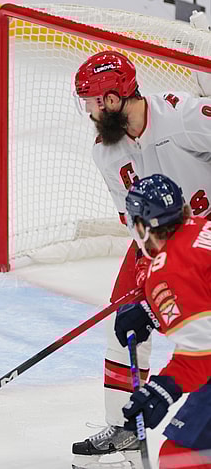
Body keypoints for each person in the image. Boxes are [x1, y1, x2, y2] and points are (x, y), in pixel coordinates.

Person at [70, 49, 211, 465]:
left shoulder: (182, 116)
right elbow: (130, 220)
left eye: (92, 102)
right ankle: (124, 427)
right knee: (123, 323)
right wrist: (146, 284)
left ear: (113, 99)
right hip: (158, 241)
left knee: (197, 327)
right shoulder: (106, 152)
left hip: (202, 235)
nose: (90, 113)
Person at [112, 174, 210, 469]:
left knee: (180, 458)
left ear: (142, 226)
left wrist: (163, 388)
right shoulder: (200, 227)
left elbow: (202, 353)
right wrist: (153, 312)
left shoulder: (168, 271)